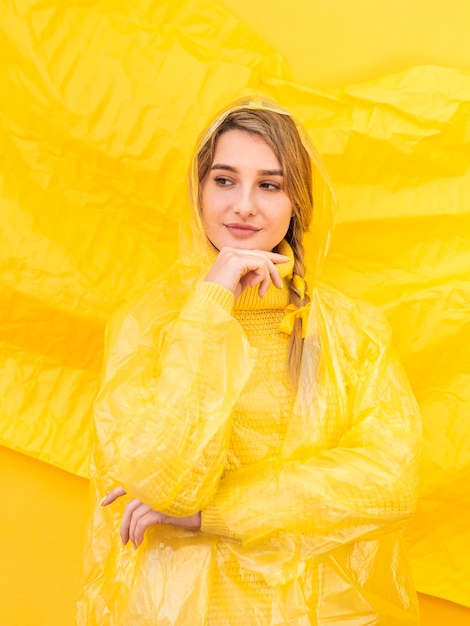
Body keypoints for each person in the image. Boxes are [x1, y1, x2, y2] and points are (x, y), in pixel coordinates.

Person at [77, 97, 421, 625]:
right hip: (175, 608)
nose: (243, 205)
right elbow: (163, 478)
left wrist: (209, 513)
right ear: (198, 190)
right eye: (223, 180)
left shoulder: (352, 331)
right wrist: (211, 305)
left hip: (312, 612)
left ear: (296, 202)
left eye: (269, 184)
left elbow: (390, 481)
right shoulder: (150, 324)